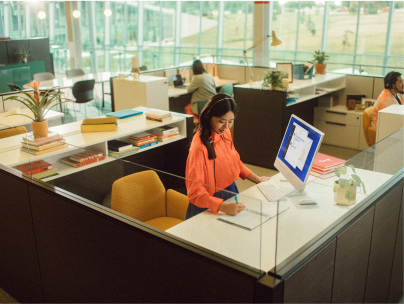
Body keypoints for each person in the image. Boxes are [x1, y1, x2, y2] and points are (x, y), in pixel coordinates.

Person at [185, 93, 271, 219]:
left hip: (230, 193)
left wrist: (256, 179)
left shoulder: (225, 133)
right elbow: (195, 192)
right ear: (209, 117)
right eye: (222, 121)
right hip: (208, 203)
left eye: (231, 121)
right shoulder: (199, 147)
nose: (226, 127)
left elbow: (235, 161)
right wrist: (223, 207)